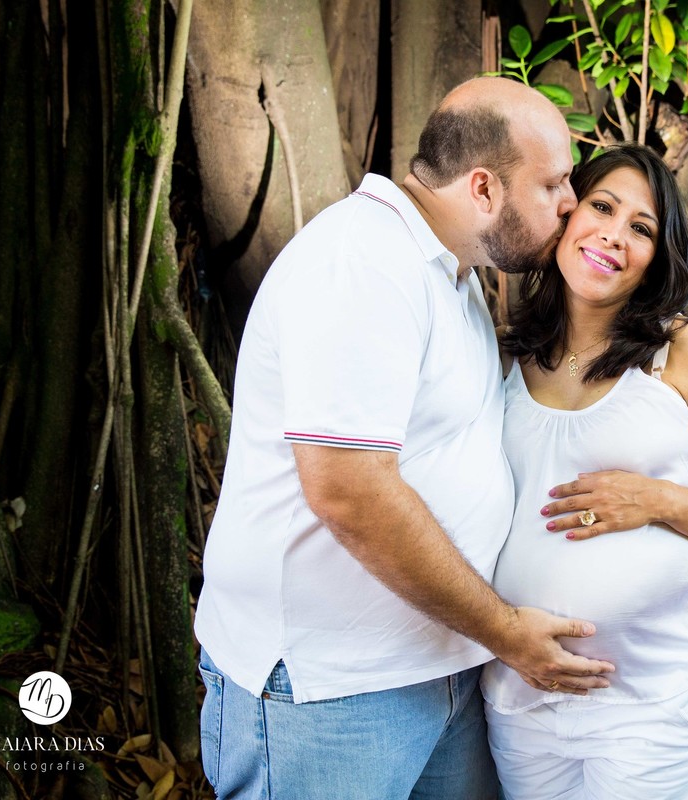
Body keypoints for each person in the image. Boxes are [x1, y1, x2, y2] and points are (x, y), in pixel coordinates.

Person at [193, 77, 616, 800]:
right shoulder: (362, 263)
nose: (571, 203)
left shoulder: (449, 273)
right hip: (329, 695)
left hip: (441, 668)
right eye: (552, 185)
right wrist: (508, 630)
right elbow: (350, 492)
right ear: (483, 188)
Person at [482, 143, 688, 799]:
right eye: (602, 207)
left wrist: (656, 500)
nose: (614, 235)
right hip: (520, 697)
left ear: (655, 257)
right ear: (566, 214)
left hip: (650, 706)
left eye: (641, 228)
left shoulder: (686, 351)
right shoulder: (502, 357)